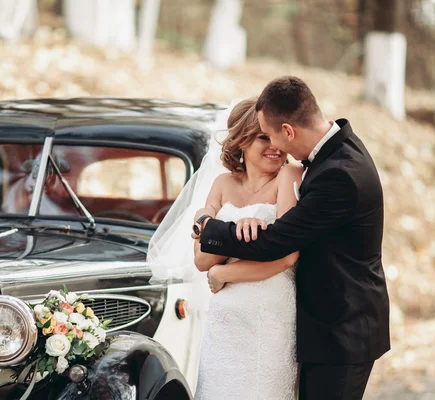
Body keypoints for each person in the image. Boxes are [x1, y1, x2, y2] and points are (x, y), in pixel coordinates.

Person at [194, 76, 391, 400]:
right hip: (322, 326)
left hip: (341, 329)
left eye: (272, 135)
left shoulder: (338, 174)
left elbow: (278, 242)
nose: (275, 147)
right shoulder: (335, 152)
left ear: (288, 131)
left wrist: (206, 225)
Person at [148, 97, 302, 400]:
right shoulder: (222, 184)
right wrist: (229, 231)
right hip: (225, 322)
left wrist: (225, 272)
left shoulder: (289, 177)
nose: (275, 146)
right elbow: (202, 260)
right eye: (263, 138)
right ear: (241, 141)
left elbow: (287, 256)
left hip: (270, 317)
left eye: (277, 137)